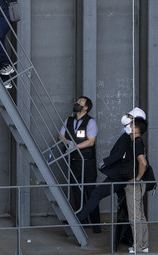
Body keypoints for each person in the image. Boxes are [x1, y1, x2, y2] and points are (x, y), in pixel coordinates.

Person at [76, 111, 147, 237]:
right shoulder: (130, 136)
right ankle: (128, 237)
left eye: (130, 118)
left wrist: (105, 162)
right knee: (125, 206)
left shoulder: (131, 138)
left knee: (97, 193)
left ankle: (78, 219)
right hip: (122, 175)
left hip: (119, 175)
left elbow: (124, 155)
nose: (127, 120)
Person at [59, 96, 101, 232]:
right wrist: (67, 143)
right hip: (74, 161)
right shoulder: (69, 119)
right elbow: (60, 134)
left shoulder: (90, 122)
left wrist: (75, 147)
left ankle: (96, 224)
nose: (76, 103)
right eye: (76, 101)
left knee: (90, 192)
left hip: (87, 162)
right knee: (76, 191)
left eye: (80, 102)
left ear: (86, 108)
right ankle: (81, 220)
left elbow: (90, 141)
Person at [125, 118, 149, 255]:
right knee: (140, 216)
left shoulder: (136, 143)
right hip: (139, 184)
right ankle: (144, 246)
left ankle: (137, 248)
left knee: (134, 217)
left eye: (131, 124)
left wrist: (137, 179)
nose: (128, 126)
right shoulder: (138, 142)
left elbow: (143, 163)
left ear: (136, 130)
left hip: (135, 185)